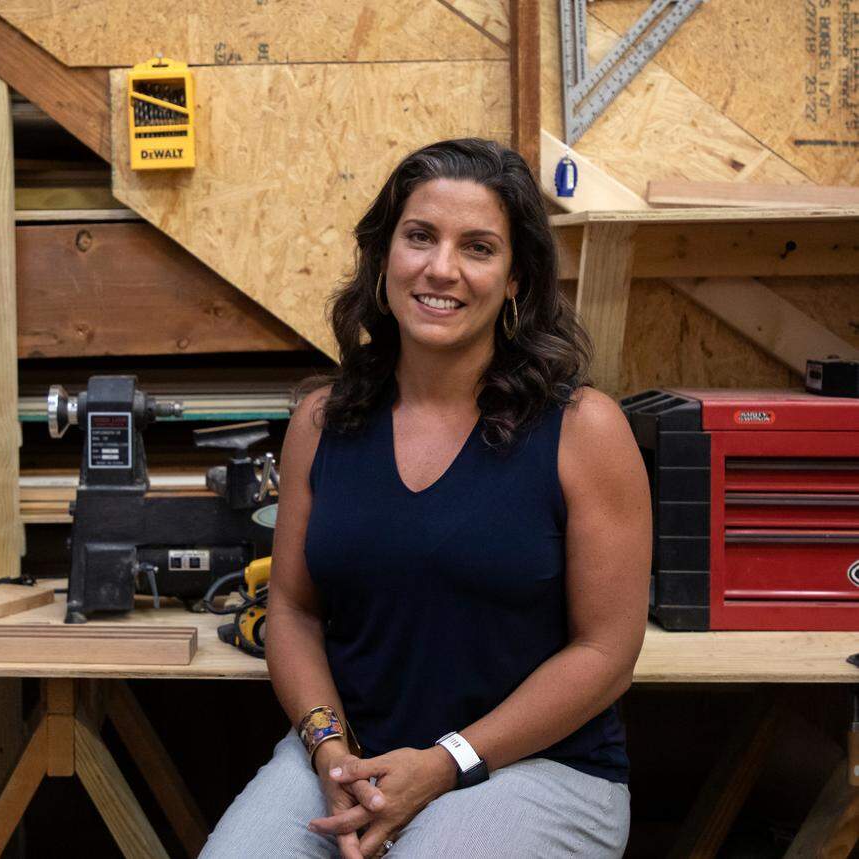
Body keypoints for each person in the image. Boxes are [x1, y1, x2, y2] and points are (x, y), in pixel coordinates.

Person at [200, 138, 651, 858]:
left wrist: (445, 763)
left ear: (515, 279)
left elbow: (606, 652)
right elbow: (292, 609)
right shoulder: (321, 423)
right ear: (383, 259)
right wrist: (327, 749)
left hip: (536, 767)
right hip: (354, 755)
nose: (442, 268)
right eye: (419, 237)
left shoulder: (582, 429)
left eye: (478, 247)